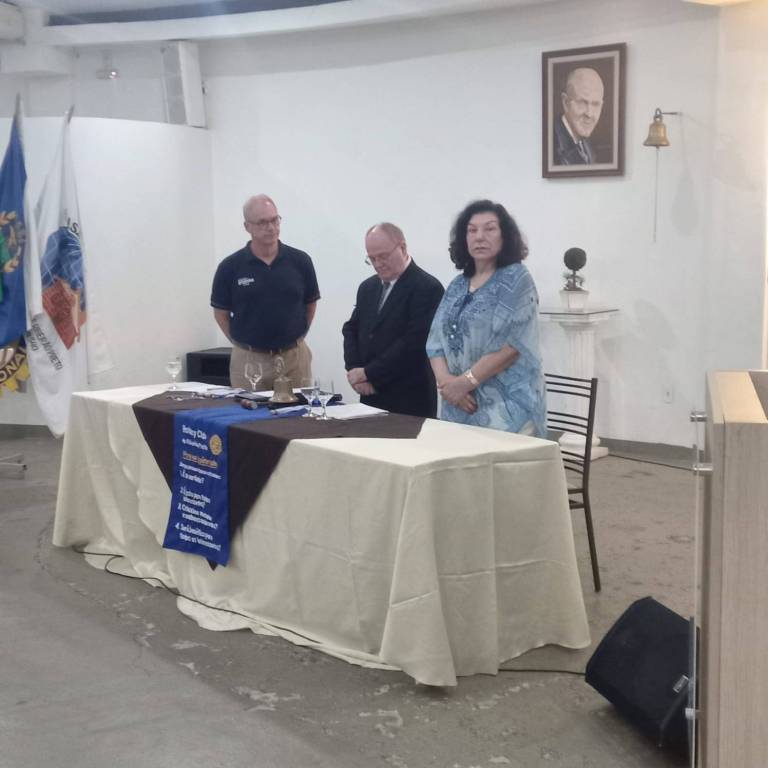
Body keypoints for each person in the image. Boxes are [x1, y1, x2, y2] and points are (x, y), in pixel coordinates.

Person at [426, 200, 546, 436]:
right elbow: (435, 342)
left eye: (489, 228)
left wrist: (464, 383)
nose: (479, 237)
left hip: (507, 407)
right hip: (457, 403)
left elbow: (512, 346)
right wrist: (447, 384)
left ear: (505, 236)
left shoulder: (516, 279)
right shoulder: (457, 285)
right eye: (472, 230)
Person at [211, 195, 319, 390]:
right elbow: (220, 313)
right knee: (249, 411)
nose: (271, 227)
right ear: (247, 227)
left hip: (294, 357)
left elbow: (310, 303)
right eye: (262, 222)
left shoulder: (300, 261)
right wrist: (241, 344)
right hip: (248, 359)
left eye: (274, 220)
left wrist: (299, 335)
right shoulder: (230, 267)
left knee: (299, 409)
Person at [342, 223, 444, 417]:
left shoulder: (427, 287)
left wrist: (369, 373)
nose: (378, 264)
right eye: (372, 259)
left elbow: (414, 343)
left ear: (402, 248)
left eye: (383, 256)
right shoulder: (367, 288)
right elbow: (351, 329)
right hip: (370, 396)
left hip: (409, 398)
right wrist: (355, 372)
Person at [553, 67, 605, 165]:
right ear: (566, 102)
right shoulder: (552, 145)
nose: (589, 114)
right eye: (582, 102)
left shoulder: (587, 145)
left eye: (595, 104)